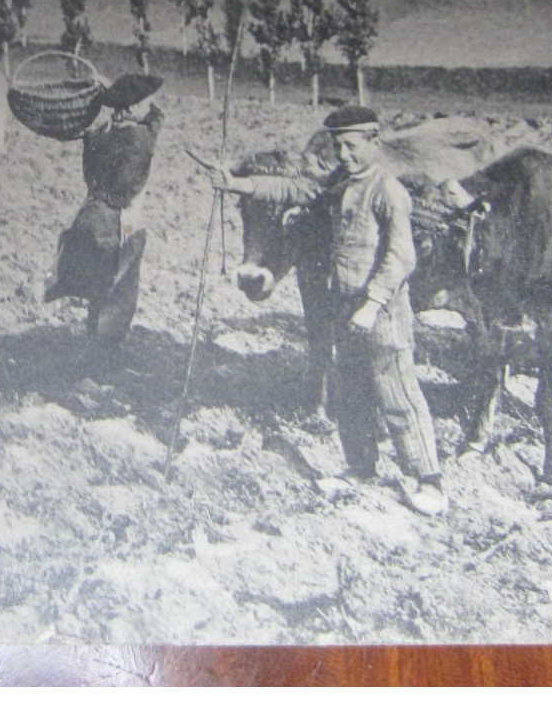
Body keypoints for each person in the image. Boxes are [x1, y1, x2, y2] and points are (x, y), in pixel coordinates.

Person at [209, 105, 447, 518]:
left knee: (397, 394)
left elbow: (401, 256)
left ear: (374, 142)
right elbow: (293, 191)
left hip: (381, 311)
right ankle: (360, 469)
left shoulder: (387, 190)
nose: (344, 154)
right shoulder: (338, 184)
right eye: (338, 146)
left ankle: (428, 481)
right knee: (350, 390)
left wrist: (372, 304)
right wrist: (239, 184)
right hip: (345, 306)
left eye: (352, 146)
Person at [44, 73, 164, 362]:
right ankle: (104, 355)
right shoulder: (139, 138)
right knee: (121, 288)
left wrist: (115, 95)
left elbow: (148, 122)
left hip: (89, 217)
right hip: (120, 221)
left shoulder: (98, 136)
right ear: (133, 108)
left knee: (100, 285)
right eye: (143, 103)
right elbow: (149, 133)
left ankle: (93, 345)